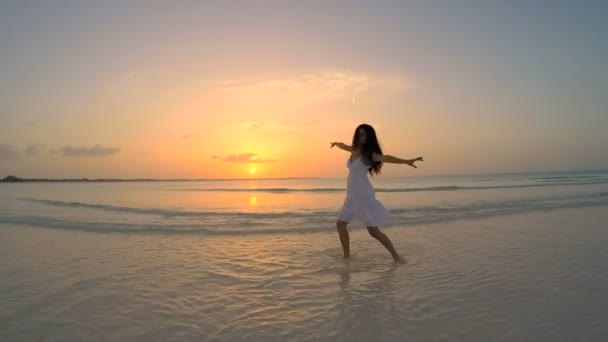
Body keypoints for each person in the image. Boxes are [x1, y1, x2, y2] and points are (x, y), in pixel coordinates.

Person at [330, 123, 423, 262]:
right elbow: (344, 146)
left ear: (369, 137)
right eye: (359, 134)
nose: (361, 138)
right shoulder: (353, 149)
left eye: (363, 135)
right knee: (340, 224)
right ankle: (347, 256)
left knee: (373, 231)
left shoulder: (369, 155)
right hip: (351, 196)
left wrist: (406, 161)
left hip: (363, 195)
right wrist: (336, 143)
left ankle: (396, 257)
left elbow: (387, 158)